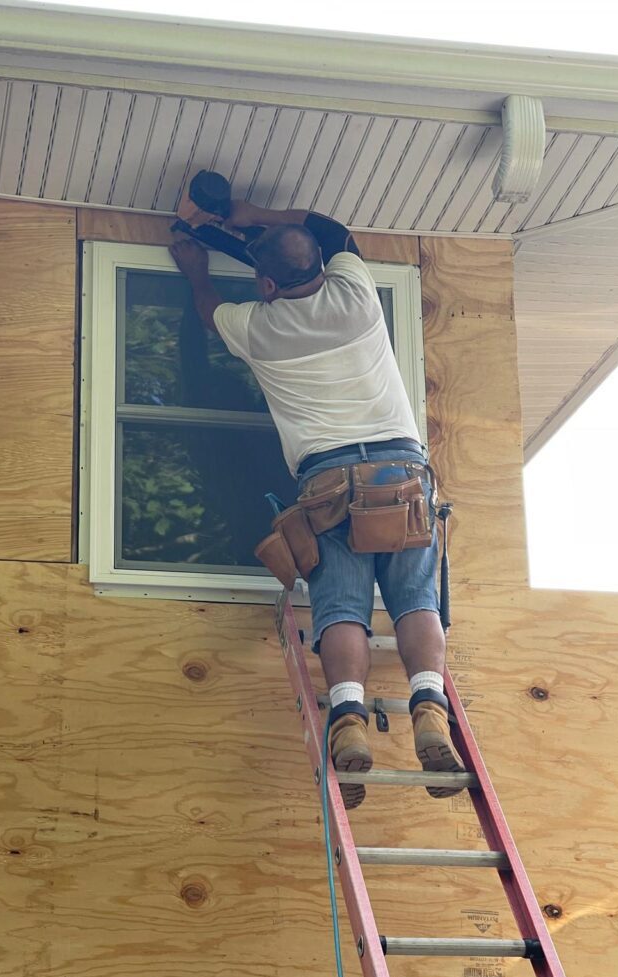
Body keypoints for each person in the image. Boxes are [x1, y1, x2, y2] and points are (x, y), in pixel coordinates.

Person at [169, 197, 465, 809]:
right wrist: (252, 212)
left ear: (266, 284)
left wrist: (195, 269)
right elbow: (332, 232)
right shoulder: (357, 293)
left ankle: (349, 721)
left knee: (341, 609)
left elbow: (207, 310)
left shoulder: (257, 328)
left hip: (328, 484)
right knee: (416, 599)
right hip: (401, 471)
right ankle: (430, 709)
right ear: (324, 269)